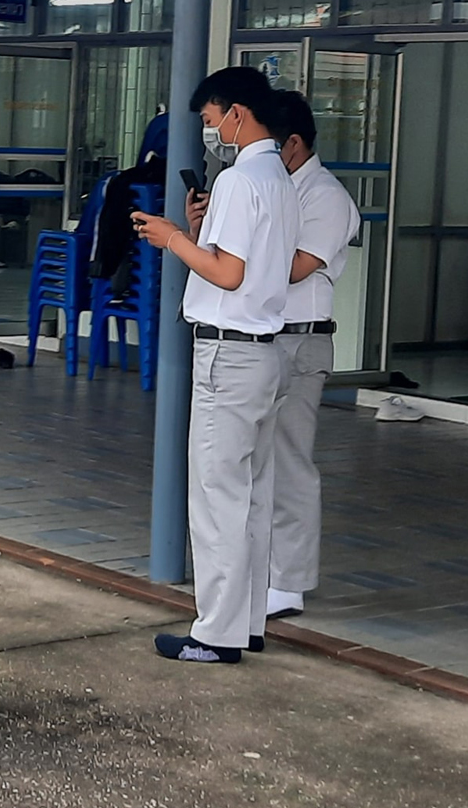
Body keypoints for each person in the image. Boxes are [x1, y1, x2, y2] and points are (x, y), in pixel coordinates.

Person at [132, 67, 300, 664]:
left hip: (228, 355)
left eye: (210, 120)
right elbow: (246, 264)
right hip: (266, 351)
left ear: (236, 112)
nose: (210, 132)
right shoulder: (278, 176)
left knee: (217, 497)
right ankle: (245, 620)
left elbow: (227, 275)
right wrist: (196, 232)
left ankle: (216, 633)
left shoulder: (238, 179)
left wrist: (172, 237)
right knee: (251, 494)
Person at [262, 89, 361, 620]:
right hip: (263, 336)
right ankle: (264, 569)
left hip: (300, 339)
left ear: (293, 143)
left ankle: (290, 582)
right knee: (255, 459)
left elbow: (296, 266)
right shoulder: (273, 189)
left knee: (289, 461)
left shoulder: (324, 196)